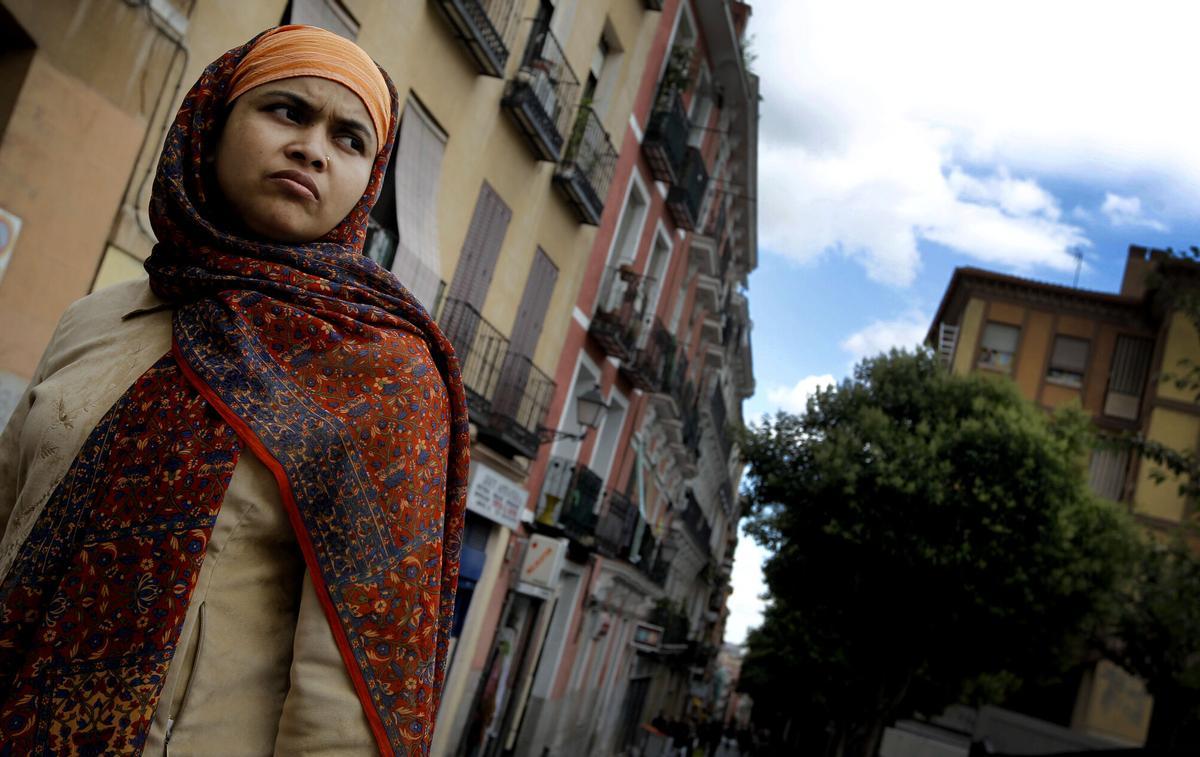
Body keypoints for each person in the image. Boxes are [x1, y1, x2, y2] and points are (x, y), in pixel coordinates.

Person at [0, 24, 469, 756]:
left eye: (350, 139)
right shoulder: (100, 319)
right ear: (211, 126)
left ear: (367, 183)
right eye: (287, 110)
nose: (314, 148)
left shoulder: (382, 377)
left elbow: (345, 701)